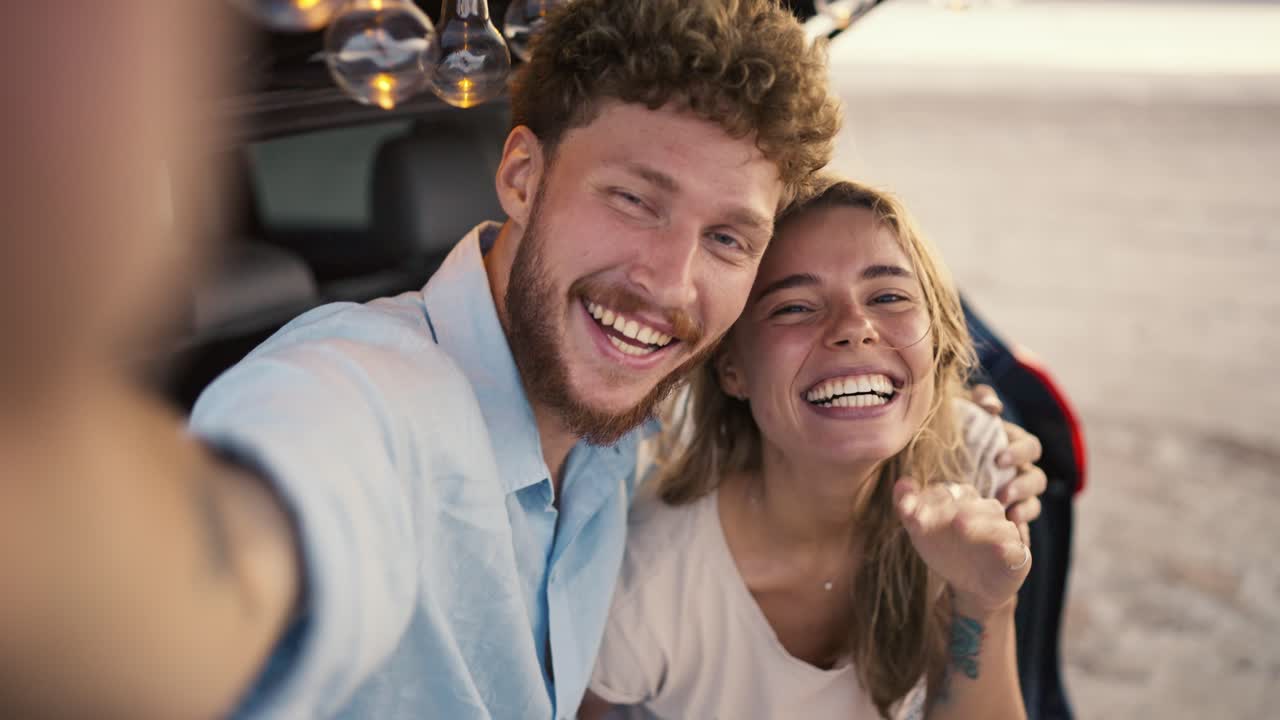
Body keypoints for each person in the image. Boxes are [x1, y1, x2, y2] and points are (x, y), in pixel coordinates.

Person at [0, 2, 1045, 718]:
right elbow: (212, 576)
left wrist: (972, 410)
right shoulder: (358, 398)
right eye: (633, 199)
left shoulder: (626, 419)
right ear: (519, 173)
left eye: (727, 239)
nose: (668, 283)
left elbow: (824, 392)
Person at [583, 179, 1032, 720]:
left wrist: (985, 603)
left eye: (889, 296)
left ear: (935, 338)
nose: (854, 328)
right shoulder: (651, 584)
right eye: (795, 307)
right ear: (733, 368)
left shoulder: (977, 460)